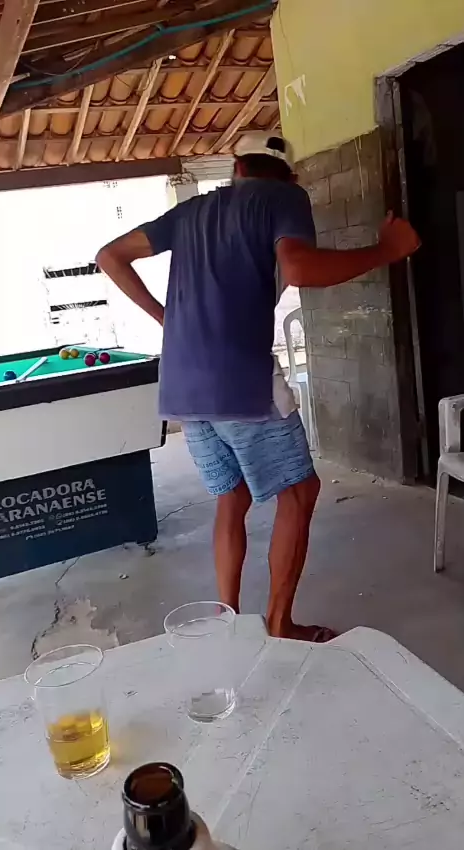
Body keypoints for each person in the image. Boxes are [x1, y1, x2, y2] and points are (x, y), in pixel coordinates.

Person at [96, 131, 420, 642]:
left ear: (238, 168)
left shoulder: (192, 211)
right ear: (291, 176)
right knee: (300, 492)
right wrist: (386, 249)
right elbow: (301, 268)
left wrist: (167, 318)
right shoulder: (284, 197)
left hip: (183, 386)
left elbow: (110, 255)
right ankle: (279, 625)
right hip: (239, 380)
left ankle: (227, 620)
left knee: (232, 496)